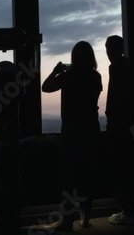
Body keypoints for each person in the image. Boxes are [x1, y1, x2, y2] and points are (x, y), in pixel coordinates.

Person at [42, 41, 102, 231]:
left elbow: (46, 87)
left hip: (71, 131)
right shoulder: (96, 77)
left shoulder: (68, 76)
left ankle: (67, 220)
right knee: (88, 175)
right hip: (91, 130)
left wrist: (56, 71)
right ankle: (85, 217)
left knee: (69, 177)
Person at [104, 35, 134, 225]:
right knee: (126, 169)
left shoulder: (117, 69)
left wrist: (111, 117)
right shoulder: (131, 69)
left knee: (121, 170)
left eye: (107, 47)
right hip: (130, 127)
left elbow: (115, 100)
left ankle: (129, 212)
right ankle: (129, 210)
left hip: (120, 128)